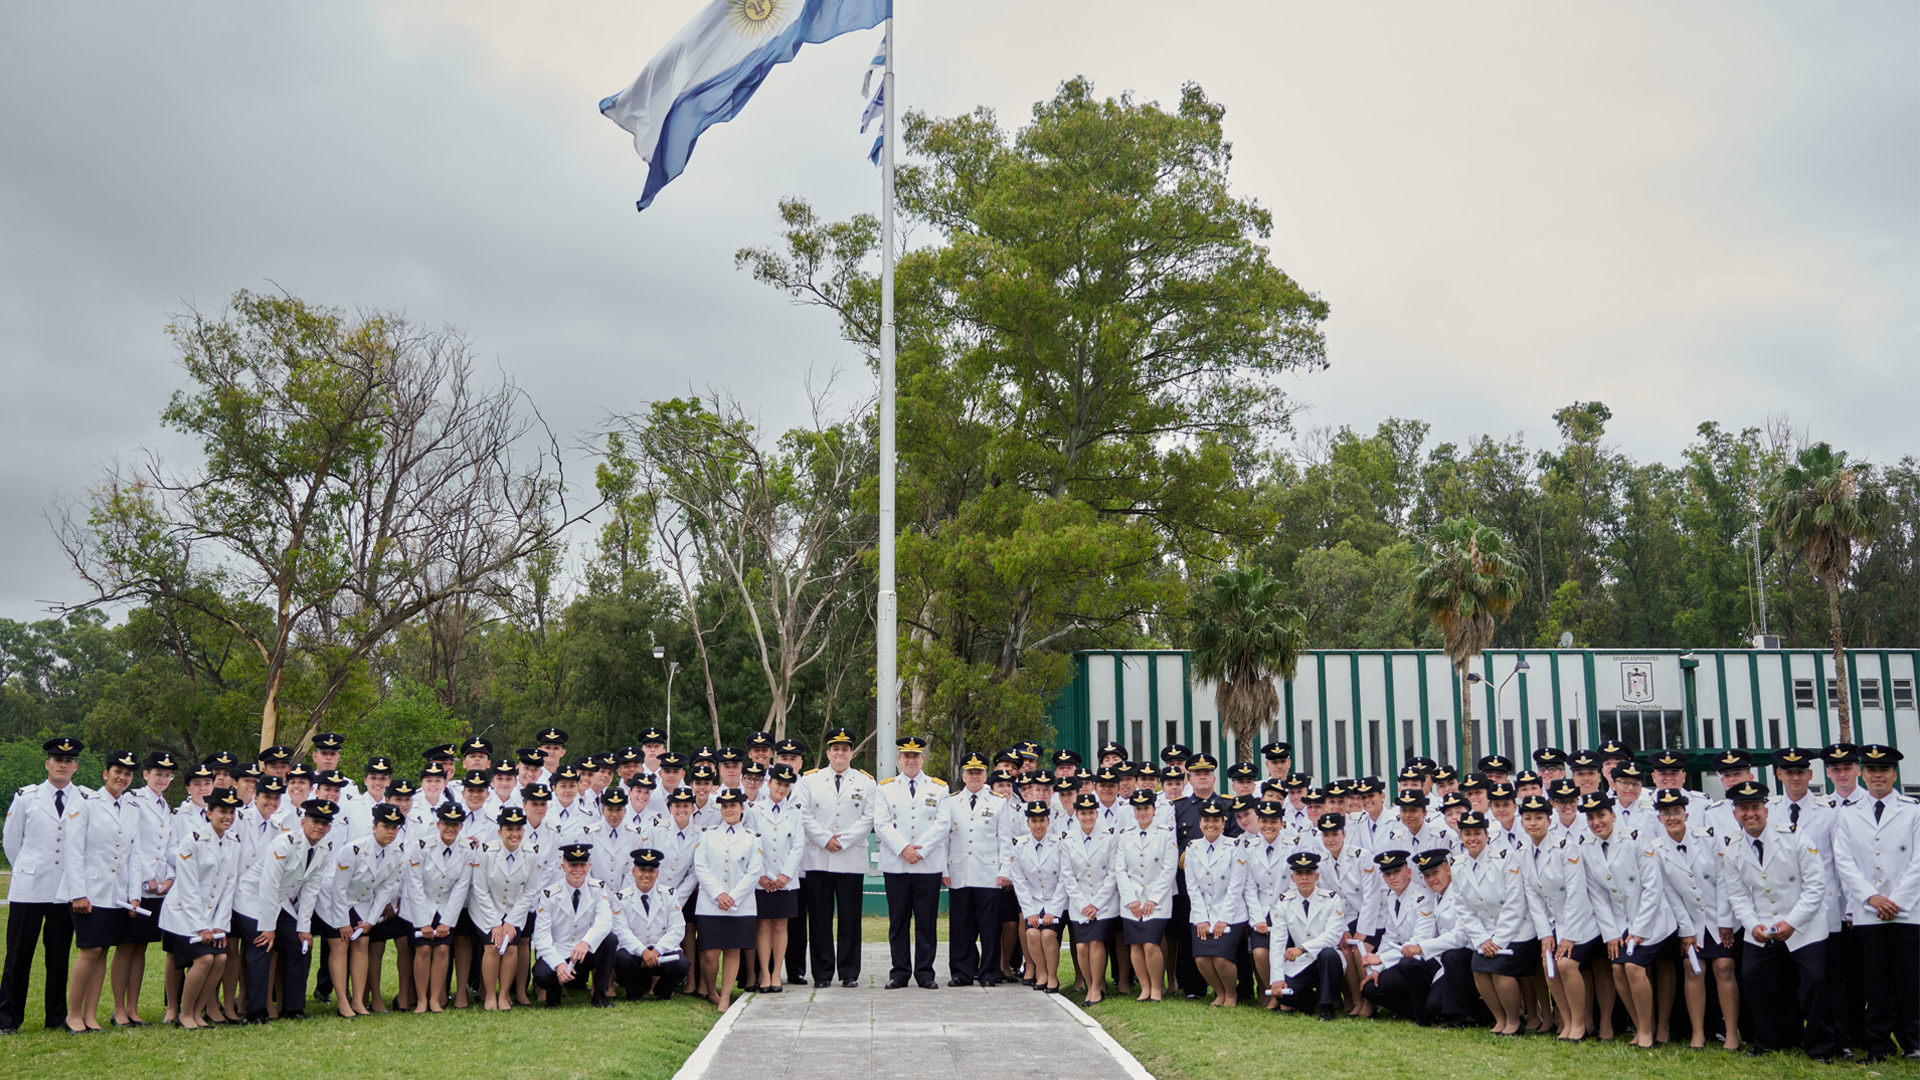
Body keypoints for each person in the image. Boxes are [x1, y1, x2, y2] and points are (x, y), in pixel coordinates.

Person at [1719, 778, 1840, 1061]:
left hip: (1804, 923)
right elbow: (1737, 896)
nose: (1750, 813)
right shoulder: (1733, 847)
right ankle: (1767, 1041)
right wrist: (1753, 926)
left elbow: (1815, 886)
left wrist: (1792, 923)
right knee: (1751, 977)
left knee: (1814, 979)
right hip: (1761, 925)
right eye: (1743, 808)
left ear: (1766, 809)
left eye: (1755, 807)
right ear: (1735, 813)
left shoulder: (1794, 836)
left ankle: (1821, 1046)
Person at [1829, 745, 1917, 1063]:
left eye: (1884, 770)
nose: (1877, 775)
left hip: (1908, 911)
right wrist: (1871, 897)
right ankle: (1879, 1045)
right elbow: (1844, 862)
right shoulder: (1850, 813)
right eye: (1871, 770)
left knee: (1910, 978)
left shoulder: (1913, 809)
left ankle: (1914, 1041)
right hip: (1868, 911)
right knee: (1875, 981)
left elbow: (1919, 862)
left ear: (1894, 774)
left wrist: (1896, 900)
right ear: (1863, 774)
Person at [0, 736, 86, 1035]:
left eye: (68, 761)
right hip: (29, 888)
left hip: (64, 891)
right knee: (18, 955)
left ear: (75, 766)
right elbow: (12, 842)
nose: (62, 765)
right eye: (57, 760)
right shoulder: (26, 797)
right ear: (47, 763)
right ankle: (8, 1019)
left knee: (59, 956)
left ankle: (56, 1016)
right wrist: (27, 868)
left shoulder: (85, 798)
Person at [233, 797, 337, 1024]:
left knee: (298, 944)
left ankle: (293, 1008)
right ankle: (256, 1012)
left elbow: (311, 889)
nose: (320, 827)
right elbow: (268, 885)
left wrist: (304, 929)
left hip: (279, 902)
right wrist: (269, 928)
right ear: (304, 821)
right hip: (251, 898)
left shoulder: (324, 848)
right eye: (315, 821)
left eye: (325, 823)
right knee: (263, 944)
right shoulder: (284, 843)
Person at [62, 750, 145, 1032]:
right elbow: (72, 852)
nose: (122, 778)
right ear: (105, 774)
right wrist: (78, 893)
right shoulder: (86, 804)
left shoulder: (132, 808)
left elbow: (134, 855)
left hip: (117, 895)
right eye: (117, 772)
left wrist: (135, 895)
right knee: (90, 950)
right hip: (90, 890)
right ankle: (73, 1015)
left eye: (128, 774)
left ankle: (91, 1015)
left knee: (103, 952)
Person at [1651, 788, 1737, 1050]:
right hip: (1690, 923)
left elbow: (1724, 881)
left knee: (1723, 968)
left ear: (1686, 814)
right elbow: (1670, 895)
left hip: (1720, 918)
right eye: (1666, 813)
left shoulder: (1709, 839)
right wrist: (1686, 930)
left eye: (1676, 811)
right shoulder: (1657, 849)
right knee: (1692, 969)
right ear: (1659, 818)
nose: (1672, 817)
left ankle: (1731, 1033)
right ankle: (1697, 1033)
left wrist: (1725, 921)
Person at [1512, 794, 1597, 1042]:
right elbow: (1532, 895)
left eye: (1539, 817)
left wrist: (1567, 936)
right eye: (1527, 818)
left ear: (1549, 821)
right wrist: (1546, 935)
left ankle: (1580, 1024)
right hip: (1553, 925)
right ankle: (1567, 1021)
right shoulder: (1524, 849)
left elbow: (1576, 893)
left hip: (1582, 922)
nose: (1533, 823)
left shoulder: (1565, 847)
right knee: (1549, 966)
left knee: (1566, 965)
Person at [156, 786, 242, 1030]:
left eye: (231, 812)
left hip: (211, 917)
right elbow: (187, 887)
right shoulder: (191, 841)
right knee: (204, 960)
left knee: (221, 958)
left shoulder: (233, 842)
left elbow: (228, 888)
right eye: (222, 811)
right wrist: (200, 926)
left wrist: (219, 926)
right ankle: (184, 1014)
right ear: (208, 813)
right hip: (181, 914)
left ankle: (196, 1013)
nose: (227, 816)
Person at [798, 728, 875, 988]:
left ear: (852, 752)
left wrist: (842, 841)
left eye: (845, 748)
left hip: (850, 857)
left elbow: (869, 817)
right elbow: (804, 814)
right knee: (819, 918)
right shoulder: (810, 780)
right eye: (835, 748)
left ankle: (849, 972)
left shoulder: (866, 782)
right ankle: (822, 973)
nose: (840, 753)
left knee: (850, 918)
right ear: (829, 752)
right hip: (818, 857)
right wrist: (824, 839)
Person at [874, 736, 947, 990]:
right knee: (898, 921)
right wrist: (903, 849)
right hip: (897, 864)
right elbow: (881, 824)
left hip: (927, 865)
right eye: (906, 756)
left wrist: (920, 851)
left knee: (926, 921)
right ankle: (899, 972)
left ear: (923, 758)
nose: (911, 760)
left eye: (916, 756)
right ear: (898, 759)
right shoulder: (885, 788)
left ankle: (925, 973)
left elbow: (942, 824)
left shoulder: (939, 788)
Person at [1450, 810, 1532, 1036]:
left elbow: (1516, 903)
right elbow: (1463, 908)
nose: (1472, 838)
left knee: (1499, 970)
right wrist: (1481, 939)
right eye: (1467, 833)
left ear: (1487, 834)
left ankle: (1515, 1020)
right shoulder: (1457, 864)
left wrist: (1498, 941)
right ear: (1461, 836)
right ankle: (1500, 1019)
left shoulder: (1505, 857)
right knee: (1479, 969)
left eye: (1477, 832)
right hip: (1484, 932)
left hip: (1517, 930)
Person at [339, 802, 409, 1016]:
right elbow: (338, 889)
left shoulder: (396, 852)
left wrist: (370, 920)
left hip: (364, 904)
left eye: (395, 828)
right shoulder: (353, 849)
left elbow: (385, 889)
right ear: (374, 827)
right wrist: (343, 921)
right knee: (340, 947)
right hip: (341, 903)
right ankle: (343, 1000)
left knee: (362, 944)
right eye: (386, 826)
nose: (390, 832)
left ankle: (359, 1001)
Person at [940, 753, 1004, 988]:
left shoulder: (999, 802)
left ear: (986, 776)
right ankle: (962, 973)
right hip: (959, 872)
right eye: (970, 772)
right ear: (963, 776)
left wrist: (1004, 870)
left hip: (988, 873)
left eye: (979, 772)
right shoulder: (950, 801)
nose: (974, 776)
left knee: (989, 928)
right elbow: (945, 839)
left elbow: (1004, 840)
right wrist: (944, 869)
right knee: (961, 926)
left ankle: (988, 973)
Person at [694, 789, 761, 1010]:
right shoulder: (707, 835)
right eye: (725, 806)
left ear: (742, 808)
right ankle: (712, 991)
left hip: (739, 905)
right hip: (710, 904)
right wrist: (718, 894)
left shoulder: (752, 838)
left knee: (733, 950)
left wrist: (732, 897)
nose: (729, 810)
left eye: (733, 806)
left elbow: (754, 872)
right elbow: (700, 867)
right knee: (711, 954)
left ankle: (725, 997)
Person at [469, 805, 541, 1011]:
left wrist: (509, 921)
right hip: (486, 910)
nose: (514, 834)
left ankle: (504, 995)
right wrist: (495, 923)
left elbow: (530, 891)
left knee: (511, 947)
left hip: (514, 911)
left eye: (518, 829)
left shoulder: (532, 854)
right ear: (500, 832)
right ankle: (490, 996)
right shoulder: (486, 853)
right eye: (509, 829)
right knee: (492, 946)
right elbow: (480, 891)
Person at [123, 750, 177, 1026]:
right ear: (145, 775)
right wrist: (147, 878)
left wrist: (169, 878)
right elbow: (131, 842)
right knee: (126, 946)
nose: (163, 779)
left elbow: (168, 847)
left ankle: (133, 1008)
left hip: (158, 889)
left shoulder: (166, 807)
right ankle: (121, 1010)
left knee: (141, 947)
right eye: (158, 774)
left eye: (167, 775)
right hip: (137, 885)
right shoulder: (133, 800)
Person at [406, 802, 474, 1014]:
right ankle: (421, 1000)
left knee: (443, 948)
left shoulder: (467, 849)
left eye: (456, 824)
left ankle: (435, 1000)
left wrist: (447, 921)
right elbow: (414, 885)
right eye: (447, 823)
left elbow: (461, 888)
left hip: (446, 907)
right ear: (439, 823)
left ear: (461, 826)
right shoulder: (421, 846)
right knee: (424, 949)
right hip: (420, 905)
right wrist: (423, 922)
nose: (450, 829)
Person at [1358, 850, 1439, 1024]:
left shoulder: (1423, 898)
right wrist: (1376, 970)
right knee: (1371, 989)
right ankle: (1418, 1010)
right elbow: (1389, 937)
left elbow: (1420, 940)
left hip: (1426, 961)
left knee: (1407, 964)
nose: (1392, 877)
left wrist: (1380, 958)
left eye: (1396, 872)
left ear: (1408, 872)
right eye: (1387, 874)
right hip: (1404, 960)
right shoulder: (1392, 898)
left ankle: (1425, 1014)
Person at [530, 843, 615, 1007]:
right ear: (563, 866)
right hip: (559, 951)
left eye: (582, 864)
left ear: (589, 865)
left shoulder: (597, 889)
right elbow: (541, 937)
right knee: (543, 974)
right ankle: (553, 993)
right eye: (572, 865)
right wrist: (558, 963)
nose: (578, 869)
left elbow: (605, 921)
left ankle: (599, 994)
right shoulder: (549, 895)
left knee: (610, 940)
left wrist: (586, 942)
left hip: (583, 953)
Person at [1268, 851, 1347, 1020]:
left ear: (1317, 876)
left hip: (1327, 959)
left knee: (1328, 954)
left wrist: (1302, 949)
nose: (1304, 878)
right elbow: (1277, 941)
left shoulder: (1332, 899)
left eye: (1309, 873)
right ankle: (1311, 1003)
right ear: (1293, 878)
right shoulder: (1284, 902)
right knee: (1282, 993)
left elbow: (1332, 936)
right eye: (1299, 874)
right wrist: (1276, 978)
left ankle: (1327, 1007)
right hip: (1302, 963)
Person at [1184, 796, 1246, 1008]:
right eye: (1206, 820)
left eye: (1216, 820)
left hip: (1231, 913)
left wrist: (1223, 919)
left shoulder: (1234, 846)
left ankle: (1230, 994)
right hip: (1202, 913)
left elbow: (1236, 887)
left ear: (1223, 822)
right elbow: (1192, 886)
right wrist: (1201, 918)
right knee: (1202, 959)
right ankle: (1218, 993)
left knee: (1220, 958)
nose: (1211, 824)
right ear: (1200, 822)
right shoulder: (1192, 847)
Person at [1114, 788, 1175, 1002]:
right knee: (1136, 945)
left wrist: (1153, 899)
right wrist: (1130, 899)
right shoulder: (1125, 835)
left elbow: (1169, 869)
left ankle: (1157, 988)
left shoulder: (1166, 833)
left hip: (1156, 901)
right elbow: (1120, 870)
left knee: (1151, 943)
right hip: (1131, 901)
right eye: (1138, 809)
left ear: (1154, 809)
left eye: (1146, 808)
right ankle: (1145, 988)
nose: (1142, 812)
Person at [750, 763, 804, 993]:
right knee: (763, 927)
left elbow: (798, 846)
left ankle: (776, 974)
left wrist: (785, 875)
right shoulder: (754, 810)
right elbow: (751, 844)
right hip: (762, 880)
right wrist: (761, 875)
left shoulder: (795, 812)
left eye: (786, 785)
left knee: (781, 927)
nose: (782, 788)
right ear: (768, 783)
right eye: (778, 783)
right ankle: (764, 972)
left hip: (786, 880)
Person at [1062, 792, 1119, 1005]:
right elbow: (1068, 877)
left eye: (1091, 813)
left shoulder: (1109, 836)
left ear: (1097, 813)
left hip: (1103, 903)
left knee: (1096, 943)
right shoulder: (1067, 839)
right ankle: (1089, 983)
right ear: (1076, 815)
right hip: (1080, 902)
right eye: (1083, 813)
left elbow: (1112, 873)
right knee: (1081, 947)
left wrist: (1096, 904)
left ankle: (1096, 988)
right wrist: (1083, 904)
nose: (1087, 817)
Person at [612, 848, 691, 1000]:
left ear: (657, 873)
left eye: (651, 870)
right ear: (633, 871)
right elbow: (621, 931)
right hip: (636, 953)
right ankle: (634, 993)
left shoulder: (670, 895)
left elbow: (677, 929)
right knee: (620, 958)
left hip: (661, 954)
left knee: (682, 964)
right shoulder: (621, 898)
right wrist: (643, 951)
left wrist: (656, 951)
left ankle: (662, 991)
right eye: (642, 870)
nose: (646, 874)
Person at [1009, 799, 1068, 993]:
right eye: (1034, 821)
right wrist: (1029, 911)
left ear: (1048, 821)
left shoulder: (1059, 845)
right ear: (1028, 823)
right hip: (1033, 901)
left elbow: (1063, 879)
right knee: (1032, 934)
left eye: (1042, 820)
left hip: (1054, 900)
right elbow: (1020, 882)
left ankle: (1052, 976)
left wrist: (1053, 910)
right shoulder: (1019, 846)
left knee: (1049, 935)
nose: (1038, 825)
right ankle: (1041, 973)